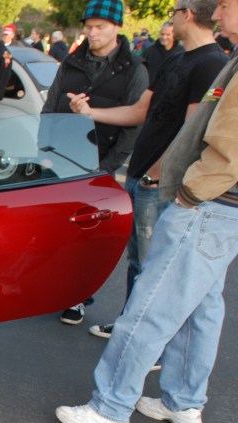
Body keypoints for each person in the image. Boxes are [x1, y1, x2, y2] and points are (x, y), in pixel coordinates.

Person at [56, 0, 238, 423]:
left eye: (226, 5)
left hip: (208, 202)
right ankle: (183, 402)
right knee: (201, 307)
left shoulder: (214, 61)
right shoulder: (213, 59)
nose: (219, 13)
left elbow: (224, 144)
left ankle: (111, 407)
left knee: (150, 305)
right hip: (218, 205)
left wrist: (188, 191)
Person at [71, 0, 229, 340]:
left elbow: (191, 133)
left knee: (153, 266)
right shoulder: (176, 58)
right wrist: (90, 113)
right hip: (141, 175)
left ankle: (145, 341)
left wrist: (154, 175)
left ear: (187, 14)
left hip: (159, 183)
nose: (170, 20)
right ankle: (129, 326)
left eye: (174, 12)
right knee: (138, 261)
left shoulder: (212, 63)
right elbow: (141, 111)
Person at [41, 0, 148, 325]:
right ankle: (51, 290)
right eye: (89, 26)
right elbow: (50, 106)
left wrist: (108, 167)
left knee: (88, 239)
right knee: (56, 233)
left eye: (100, 27)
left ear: (117, 28)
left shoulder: (134, 70)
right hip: (60, 161)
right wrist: (43, 149)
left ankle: (78, 297)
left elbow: (133, 126)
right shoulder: (72, 61)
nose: (93, 32)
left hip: (100, 167)